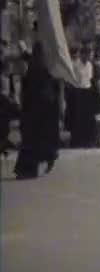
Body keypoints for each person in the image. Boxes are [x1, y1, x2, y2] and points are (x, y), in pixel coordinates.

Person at [14, 42, 63, 179]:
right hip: (39, 110)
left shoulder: (39, 68)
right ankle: (30, 168)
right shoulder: (41, 68)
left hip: (39, 110)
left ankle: (29, 168)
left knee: (33, 140)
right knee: (35, 140)